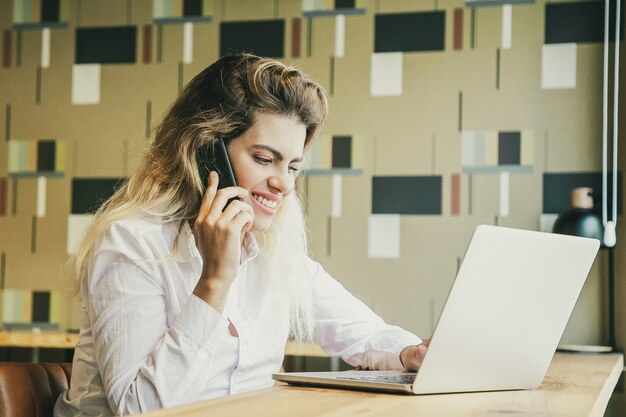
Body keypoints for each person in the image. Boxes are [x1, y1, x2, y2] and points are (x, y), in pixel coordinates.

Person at [54, 53, 428, 417]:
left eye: (293, 166)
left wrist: (411, 352)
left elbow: (363, 334)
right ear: (205, 153)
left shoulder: (272, 249)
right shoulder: (130, 242)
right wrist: (215, 279)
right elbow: (140, 409)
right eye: (265, 160)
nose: (283, 184)